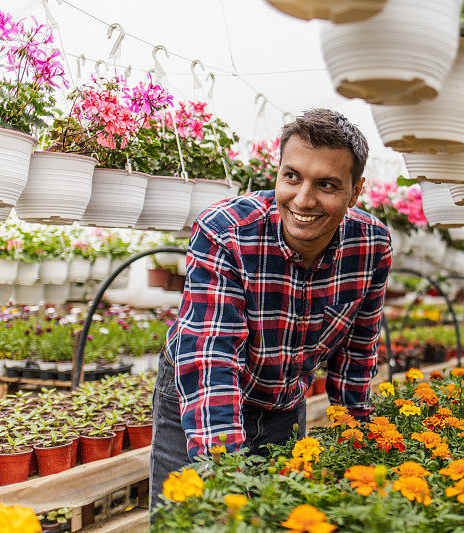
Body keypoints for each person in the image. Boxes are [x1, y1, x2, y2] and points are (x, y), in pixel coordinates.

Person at [149, 108, 391, 513]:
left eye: (327, 185)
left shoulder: (370, 246)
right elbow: (212, 357)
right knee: (192, 518)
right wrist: (224, 476)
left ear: (355, 191)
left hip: (281, 401)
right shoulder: (224, 231)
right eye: (292, 176)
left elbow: (357, 354)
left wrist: (358, 450)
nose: (303, 199)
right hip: (198, 394)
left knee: (276, 515)